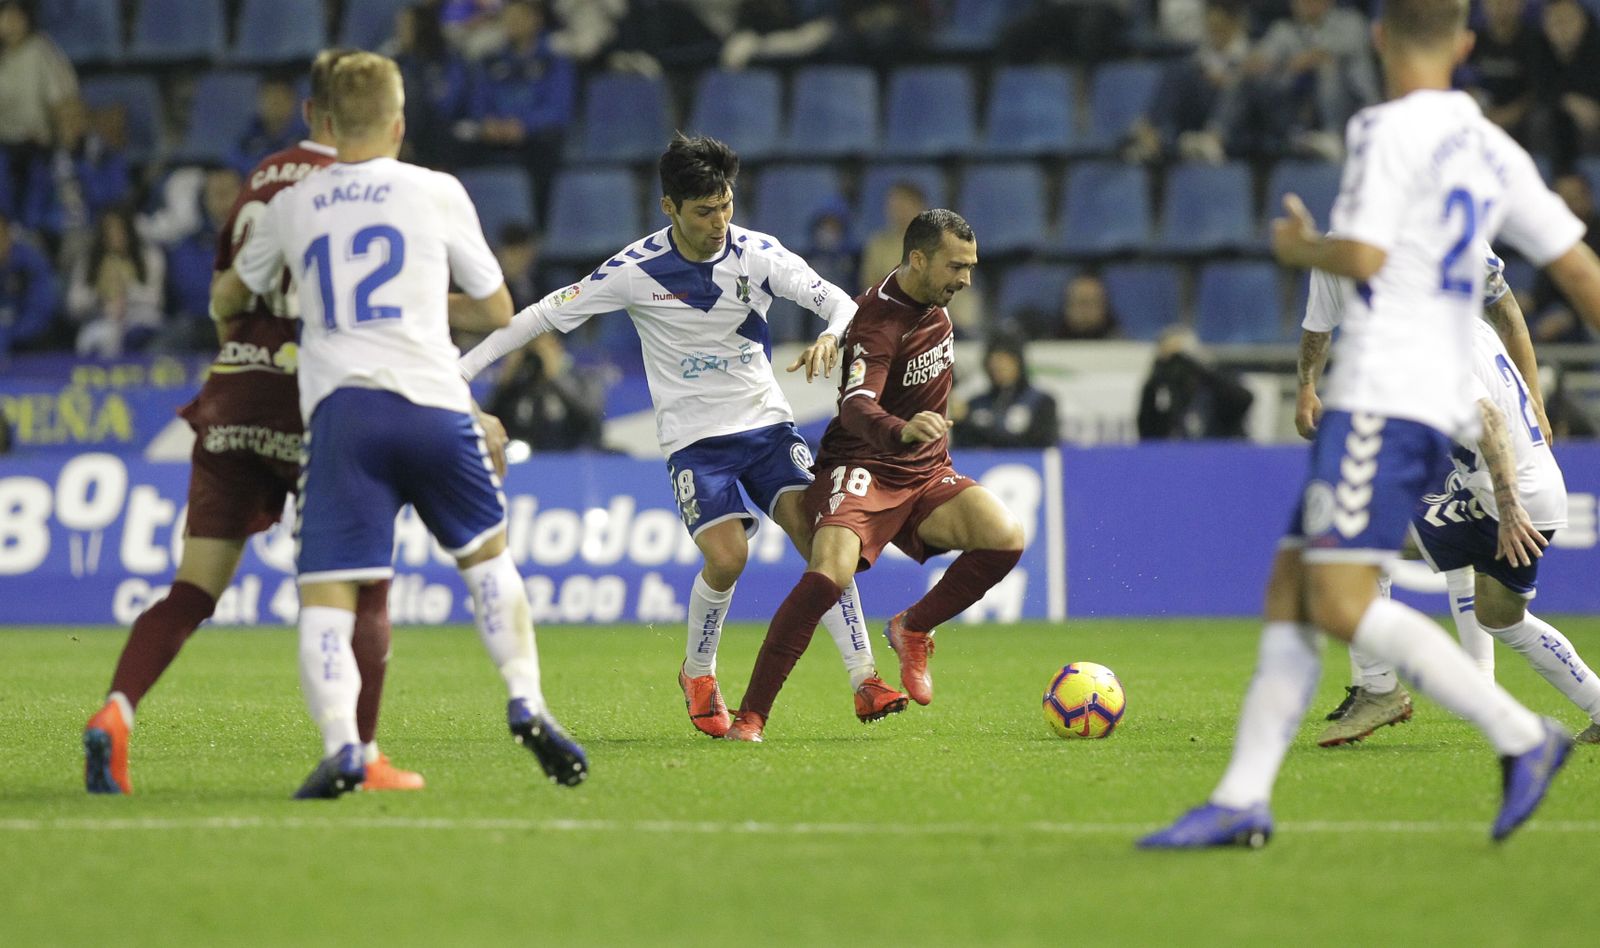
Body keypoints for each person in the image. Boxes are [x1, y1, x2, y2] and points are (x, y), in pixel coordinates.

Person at [1140, 0, 1600, 850]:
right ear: (1465, 44)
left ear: (1382, 40)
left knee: (1336, 597)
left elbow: (1361, 258)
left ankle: (1517, 735)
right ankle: (1243, 797)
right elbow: (1577, 271)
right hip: (1423, 402)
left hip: (1390, 395)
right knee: (1293, 586)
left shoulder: (1383, 129)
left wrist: (1301, 249)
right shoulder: (1492, 149)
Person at [211, 50, 586, 798]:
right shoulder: (436, 190)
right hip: (435, 404)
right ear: (397, 124)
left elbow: (228, 298)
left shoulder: (293, 205)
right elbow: (497, 311)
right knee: (488, 560)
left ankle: (344, 746)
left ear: (324, 122)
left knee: (327, 597)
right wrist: (420, 301)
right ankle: (526, 699)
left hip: (345, 414)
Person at [459, 133, 907, 738]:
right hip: (695, 442)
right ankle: (698, 672)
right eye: (704, 211)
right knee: (728, 557)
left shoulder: (758, 253)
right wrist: (459, 372)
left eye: (726, 205)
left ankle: (865, 678)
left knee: (822, 538)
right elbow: (538, 316)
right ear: (669, 207)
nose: (720, 222)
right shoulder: (634, 270)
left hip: (766, 426)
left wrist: (831, 334)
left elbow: (842, 304)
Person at [82, 51, 424, 797]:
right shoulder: (362, 186)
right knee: (361, 587)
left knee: (192, 590)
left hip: (231, 394)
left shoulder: (263, 177)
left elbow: (223, 298)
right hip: (316, 398)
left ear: (307, 112)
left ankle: (116, 710)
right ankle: (362, 754)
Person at [725, 209, 1026, 742]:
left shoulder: (934, 305)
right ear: (918, 260)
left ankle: (913, 627)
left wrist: (922, 434)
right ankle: (752, 715)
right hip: (863, 465)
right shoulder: (878, 322)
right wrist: (902, 430)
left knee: (1005, 537)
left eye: (970, 267)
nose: (965, 280)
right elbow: (858, 406)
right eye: (957, 267)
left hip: (925, 471)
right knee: (828, 575)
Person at [1299, 252, 1600, 748]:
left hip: (1505, 497)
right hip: (1537, 488)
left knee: (1352, 543)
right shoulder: (1469, 326)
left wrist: (1507, 507)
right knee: (1502, 620)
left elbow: (1487, 421)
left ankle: (1379, 688)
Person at [459, 0, 573, 227]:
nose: (512, 23)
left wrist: (524, 126)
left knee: (546, 149)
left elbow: (559, 110)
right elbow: (478, 104)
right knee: (458, 145)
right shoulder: (491, 60)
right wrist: (488, 123)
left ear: (536, 20)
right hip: (496, 135)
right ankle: (466, 225)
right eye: (508, 18)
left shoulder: (554, 61)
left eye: (519, 17)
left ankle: (536, 230)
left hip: (533, 137)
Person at [66, 206, 164, 357]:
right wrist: (100, 296)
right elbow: (74, 305)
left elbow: (155, 299)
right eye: (109, 231)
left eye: (119, 230)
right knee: (93, 338)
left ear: (129, 231)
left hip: (140, 321)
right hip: (99, 320)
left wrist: (125, 288)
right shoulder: (89, 261)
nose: (114, 236)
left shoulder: (149, 258)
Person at [1136, 325, 1253, 439]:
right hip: (1182, 450)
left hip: (1221, 448)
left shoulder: (1220, 384)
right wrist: (1157, 377)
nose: (1180, 369)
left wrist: (1198, 367)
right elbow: (1146, 432)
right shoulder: (1170, 394)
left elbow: (1244, 399)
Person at [952, 334, 1059, 449]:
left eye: (1004, 360)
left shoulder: (1041, 403)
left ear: (1018, 362)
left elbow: (1039, 445)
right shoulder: (975, 404)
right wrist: (960, 422)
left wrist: (971, 421)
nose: (998, 367)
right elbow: (963, 446)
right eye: (993, 362)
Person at [0, 207, 59, 359]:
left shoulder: (30, 261)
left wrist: (9, 333)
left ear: (7, 234)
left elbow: (42, 309)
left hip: (26, 341)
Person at [228, 76, 309, 178]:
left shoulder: (309, 139)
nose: (275, 103)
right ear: (258, 100)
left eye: (281, 97)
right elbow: (233, 175)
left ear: (294, 101)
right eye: (269, 97)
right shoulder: (245, 143)